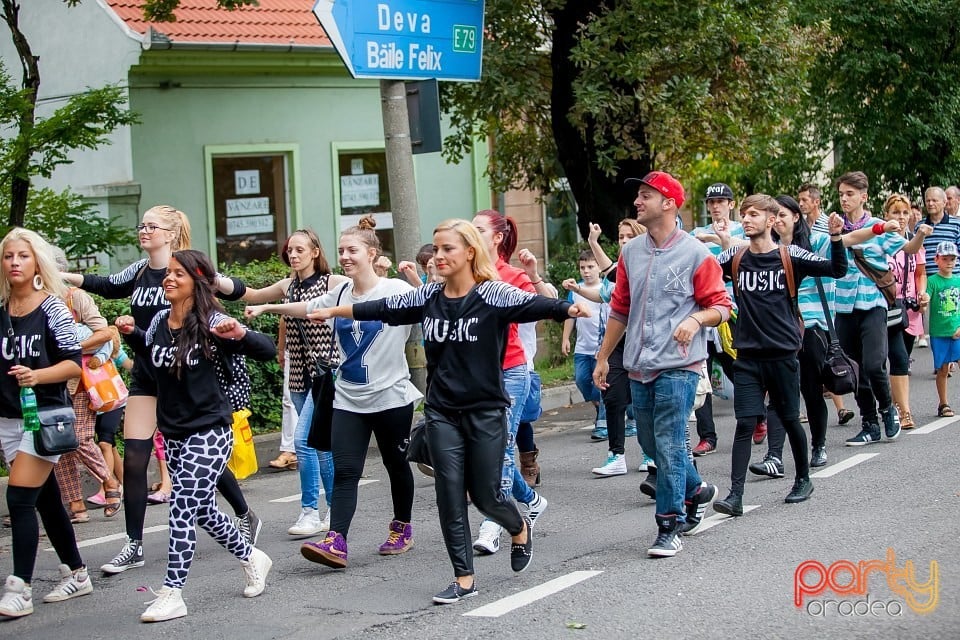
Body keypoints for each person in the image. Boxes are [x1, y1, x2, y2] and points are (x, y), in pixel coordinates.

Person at [307, 218, 590, 603]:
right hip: (441, 412)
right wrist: (336, 313)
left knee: (487, 496)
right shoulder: (427, 296)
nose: (437, 256)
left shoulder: (492, 294)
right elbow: (382, 307)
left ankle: (518, 526)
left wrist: (567, 310)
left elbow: (531, 304)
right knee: (449, 494)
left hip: (485, 411)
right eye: (436, 249)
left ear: (470, 252)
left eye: (447, 249)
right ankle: (464, 578)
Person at [61, 205, 258, 574]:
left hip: (184, 377)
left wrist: (249, 299)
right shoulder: (138, 271)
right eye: (142, 225)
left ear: (171, 233)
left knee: (197, 461)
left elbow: (231, 289)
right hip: (147, 375)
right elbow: (105, 284)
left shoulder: (186, 269)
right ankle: (133, 544)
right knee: (134, 457)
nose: (144, 231)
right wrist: (61, 275)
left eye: (152, 226)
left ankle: (245, 514)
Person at [247, 216, 422, 568]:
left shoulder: (396, 292)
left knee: (395, 464)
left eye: (352, 250)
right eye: (341, 250)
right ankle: (336, 541)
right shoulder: (340, 293)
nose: (344, 256)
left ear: (372, 254)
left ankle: (401, 526)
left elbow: (432, 309)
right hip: (348, 400)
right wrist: (268, 307)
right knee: (345, 471)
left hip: (391, 398)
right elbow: (308, 308)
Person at [118, 250, 275, 622]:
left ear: (197, 281)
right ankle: (252, 556)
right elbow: (158, 355)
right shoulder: (158, 321)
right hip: (174, 432)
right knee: (201, 509)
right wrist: (133, 335)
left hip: (210, 431)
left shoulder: (212, 320)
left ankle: (173, 592)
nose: (168, 279)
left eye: (178, 274)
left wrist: (241, 333)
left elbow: (266, 350)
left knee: (181, 507)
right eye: (167, 273)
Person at [594, 171, 728, 557]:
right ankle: (697, 491)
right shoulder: (630, 252)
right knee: (651, 442)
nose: (637, 202)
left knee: (668, 442)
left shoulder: (696, 254)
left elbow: (721, 306)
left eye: (645, 196)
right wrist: (604, 358)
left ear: (668, 203)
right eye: (638, 195)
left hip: (680, 364)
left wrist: (694, 319)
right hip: (638, 361)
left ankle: (669, 525)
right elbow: (619, 308)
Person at [712, 195, 847, 515]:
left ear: (771, 221)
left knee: (788, 418)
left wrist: (837, 238)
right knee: (745, 422)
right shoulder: (735, 255)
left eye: (754, 214)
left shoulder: (790, 255)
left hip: (784, 354)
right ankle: (736, 495)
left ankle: (803, 478)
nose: (746, 220)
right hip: (747, 356)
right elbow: (703, 274)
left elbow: (836, 269)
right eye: (743, 214)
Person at [230, 229, 348, 537]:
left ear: (315, 253)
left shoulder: (332, 283)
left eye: (299, 250)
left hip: (326, 373)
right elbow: (252, 294)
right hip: (299, 374)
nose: (293, 255)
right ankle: (335, 507)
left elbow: (360, 292)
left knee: (303, 441)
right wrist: (213, 280)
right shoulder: (289, 286)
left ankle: (310, 510)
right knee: (321, 447)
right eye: (290, 251)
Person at [0, 228, 91, 618]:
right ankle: (77, 572)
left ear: (36, 260)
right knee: (46, 498)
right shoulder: (1, 308)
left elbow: (74, 363)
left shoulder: (52, 307)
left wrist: (38, 376)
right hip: (8, 418)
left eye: (22, 255)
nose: (15, 263)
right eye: (8, 257)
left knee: (18, 498)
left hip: (44, 417)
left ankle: (19, 588)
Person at [470, 210, 553, 557]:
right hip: (476, 375)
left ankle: (494, 522)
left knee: (500, 450)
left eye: (476, 229)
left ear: (496, 238)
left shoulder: (512, 276)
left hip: (511, 372)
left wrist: (534, 278)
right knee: (483, 452)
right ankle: (532, 500)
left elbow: (543, 304)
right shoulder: (465, 274)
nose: (468, 235)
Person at [833, 172, 927, 446]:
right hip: (845, 307)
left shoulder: (880, 226)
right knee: (855, 369)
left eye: (850, 194)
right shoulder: (835, 226)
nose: (845, 199)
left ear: (864, 196)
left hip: (873, 304)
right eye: (841, 194)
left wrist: (919, 233)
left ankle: (888, 410)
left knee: (874, 364)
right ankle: (869, 423)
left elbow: (908, 248)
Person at [690, 183, 766, 453]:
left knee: (738, 367)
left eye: (721, 201)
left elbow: (755, 254)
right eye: (711, 202)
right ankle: (707, 436)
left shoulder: (742, 231)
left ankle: (759, 416)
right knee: (701, 371)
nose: (716, 206)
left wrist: (721, 240)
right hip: (702, 311)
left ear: (731, 205)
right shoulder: (696, 234)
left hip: (733, 310)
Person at [581, 218, 652, 477]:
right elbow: (604, 292)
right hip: (618, 341)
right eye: (620, 237)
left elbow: (609, 269)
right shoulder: (618, 272)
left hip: (645, 340)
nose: (623, 241)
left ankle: (650, 454)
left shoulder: (645, 263)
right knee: (613, 397)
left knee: (645, 401)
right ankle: (616, 455)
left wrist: (592, 242)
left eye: (628, 236)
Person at [883, 195, 927, 429]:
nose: (900, 218)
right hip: (889, 307)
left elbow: (921, 274)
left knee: (904, 358)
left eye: (904, 213)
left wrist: (922, 293)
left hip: (910, 308)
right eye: (895, 213)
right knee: (898, 357)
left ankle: (893, 400)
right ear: (886, 216)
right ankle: (905, 411)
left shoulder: (914, 241)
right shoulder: (880, 242)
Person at [561, 250, 613, 441]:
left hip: (602, 347)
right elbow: (569, 315)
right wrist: (566, 338)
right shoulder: (575, 290)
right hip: (583, 347)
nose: (586, 271)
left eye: (591, 267)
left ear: (599, 267)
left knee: (602, 383)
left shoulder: (605, 288)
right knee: (582, 380)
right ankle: (601, 405)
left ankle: (603, 422)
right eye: (583, 267)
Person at [926, 241, 960, 417]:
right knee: (943, 369)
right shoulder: (932, 281)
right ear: (936, 259)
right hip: (939, 332)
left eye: (952, 259)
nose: (949, 262)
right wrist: (923, 299)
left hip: (957, 330)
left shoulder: (958, 280)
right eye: (945, 258)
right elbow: (926, 297)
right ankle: (943, 403)